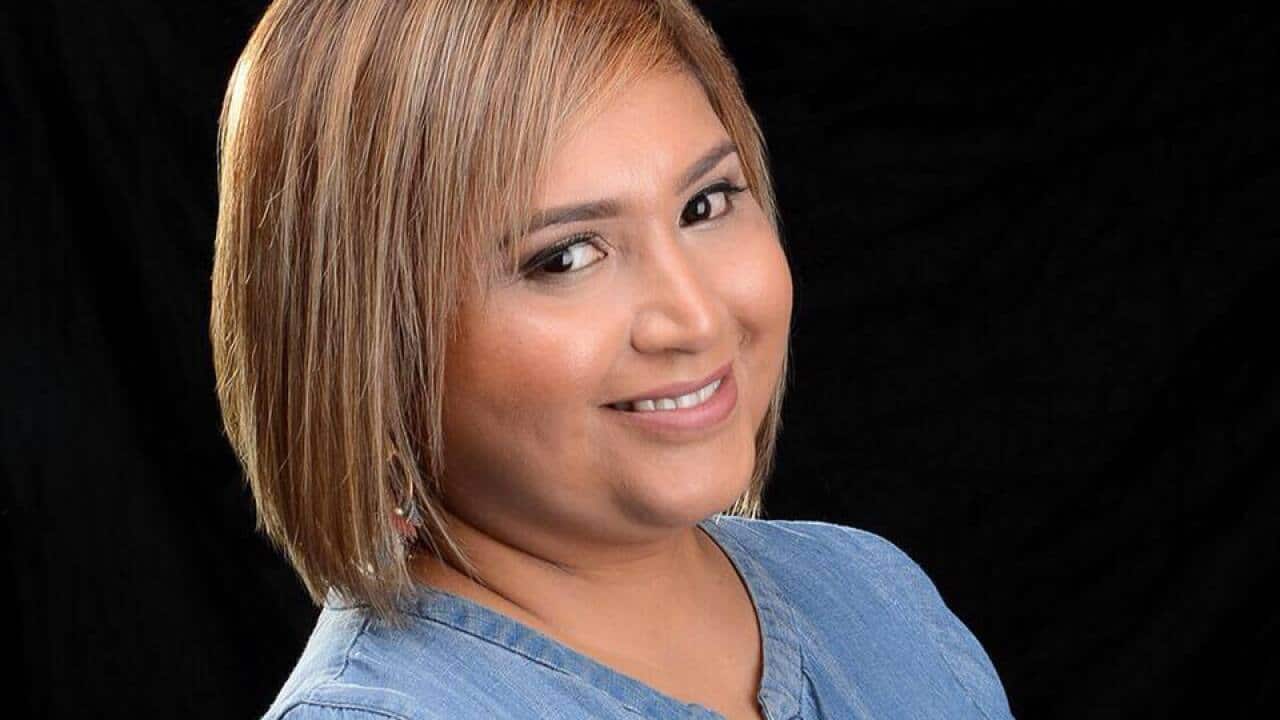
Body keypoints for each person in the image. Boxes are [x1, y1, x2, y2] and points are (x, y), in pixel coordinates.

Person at [210, 1, 1015, 718]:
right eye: (565, 257)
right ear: (366, 346)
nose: (696, 317)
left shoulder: (877, 600)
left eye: (705, 204)